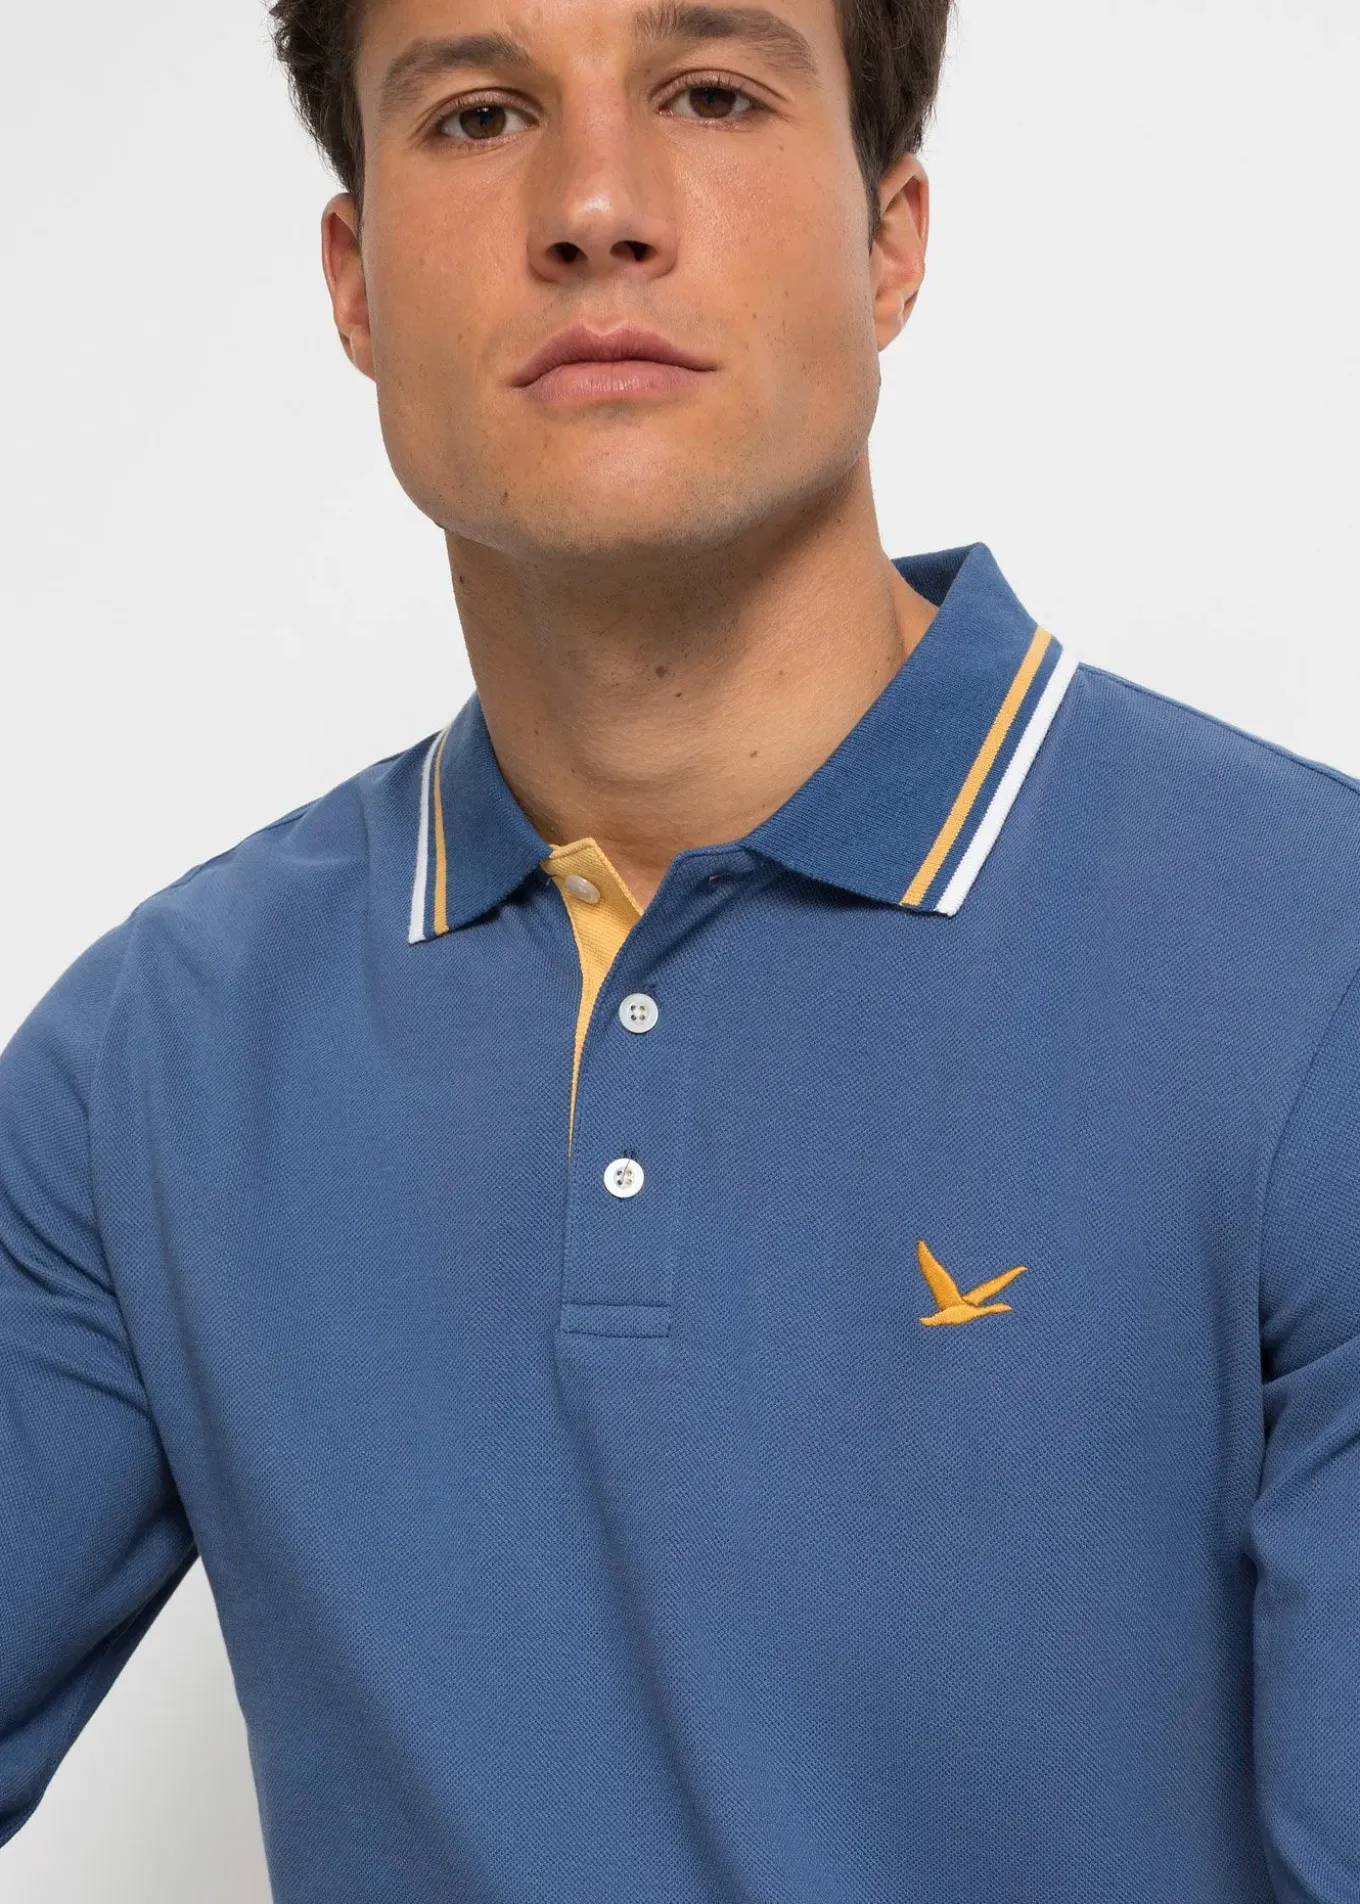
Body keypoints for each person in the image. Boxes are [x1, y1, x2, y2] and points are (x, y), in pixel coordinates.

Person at [2, 0, 1356, 1895]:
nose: (596, 205)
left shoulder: (1315, 965)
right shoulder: (146, 1068)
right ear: (356, 282)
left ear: (891, 242)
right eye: (479, 117)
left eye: (710, 93)